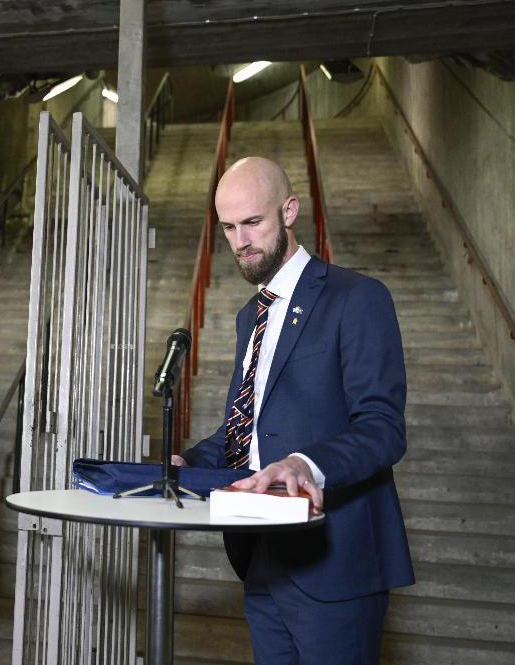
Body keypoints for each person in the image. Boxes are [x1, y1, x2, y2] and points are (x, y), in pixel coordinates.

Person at [174, 157, 414, 664]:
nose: (241, 241)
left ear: (289, 211)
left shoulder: (358, 298)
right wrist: (188, 464)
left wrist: (306, 465)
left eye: (253, 222)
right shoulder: (250, 318)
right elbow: (246, 430)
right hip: (260, 557)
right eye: (229, 228)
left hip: (335, 561)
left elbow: (383, 429)